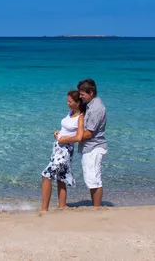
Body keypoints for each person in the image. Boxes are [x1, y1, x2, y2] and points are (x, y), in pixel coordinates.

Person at [60, 79, 108, 207]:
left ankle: (97, 208)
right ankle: (95, 206)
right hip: (89, 147)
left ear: (91, 92)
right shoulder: (90, 105)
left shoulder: (96, 108)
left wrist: (66, 139)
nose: (80, 96)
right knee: (90, 179)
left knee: (94, 180)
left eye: (82, 94)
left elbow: (89, 133)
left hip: (94, 146)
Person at [41, 90, 86, 211]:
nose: (68, 103)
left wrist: (64, 140)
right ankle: (62, 206)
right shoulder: (70, 112)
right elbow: (67, 129)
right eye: (67, 101)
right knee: (60, 177)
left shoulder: (80, 118)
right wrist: (59, 134)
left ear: (78, 102)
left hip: (65, 150)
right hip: (58, 148)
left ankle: (44, 209)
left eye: (70, 101)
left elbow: (79, 137)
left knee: (46, 175)